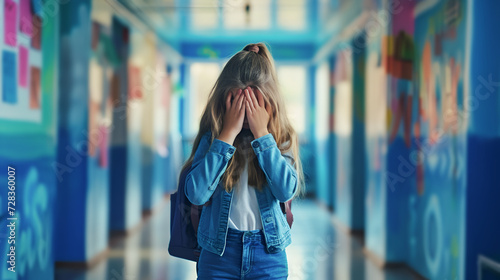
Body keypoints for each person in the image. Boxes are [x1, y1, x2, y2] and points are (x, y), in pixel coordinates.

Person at [183, 42, 304, 280]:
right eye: (239, 104)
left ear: (270, 103)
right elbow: (196, 194)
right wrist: (226, 135)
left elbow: (285, 191)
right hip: (218, 255)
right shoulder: (213, 137)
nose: (246, 114)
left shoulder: (281, 138)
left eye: (255, 105)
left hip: (268, 256)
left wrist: (263, 135)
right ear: (224, 101)